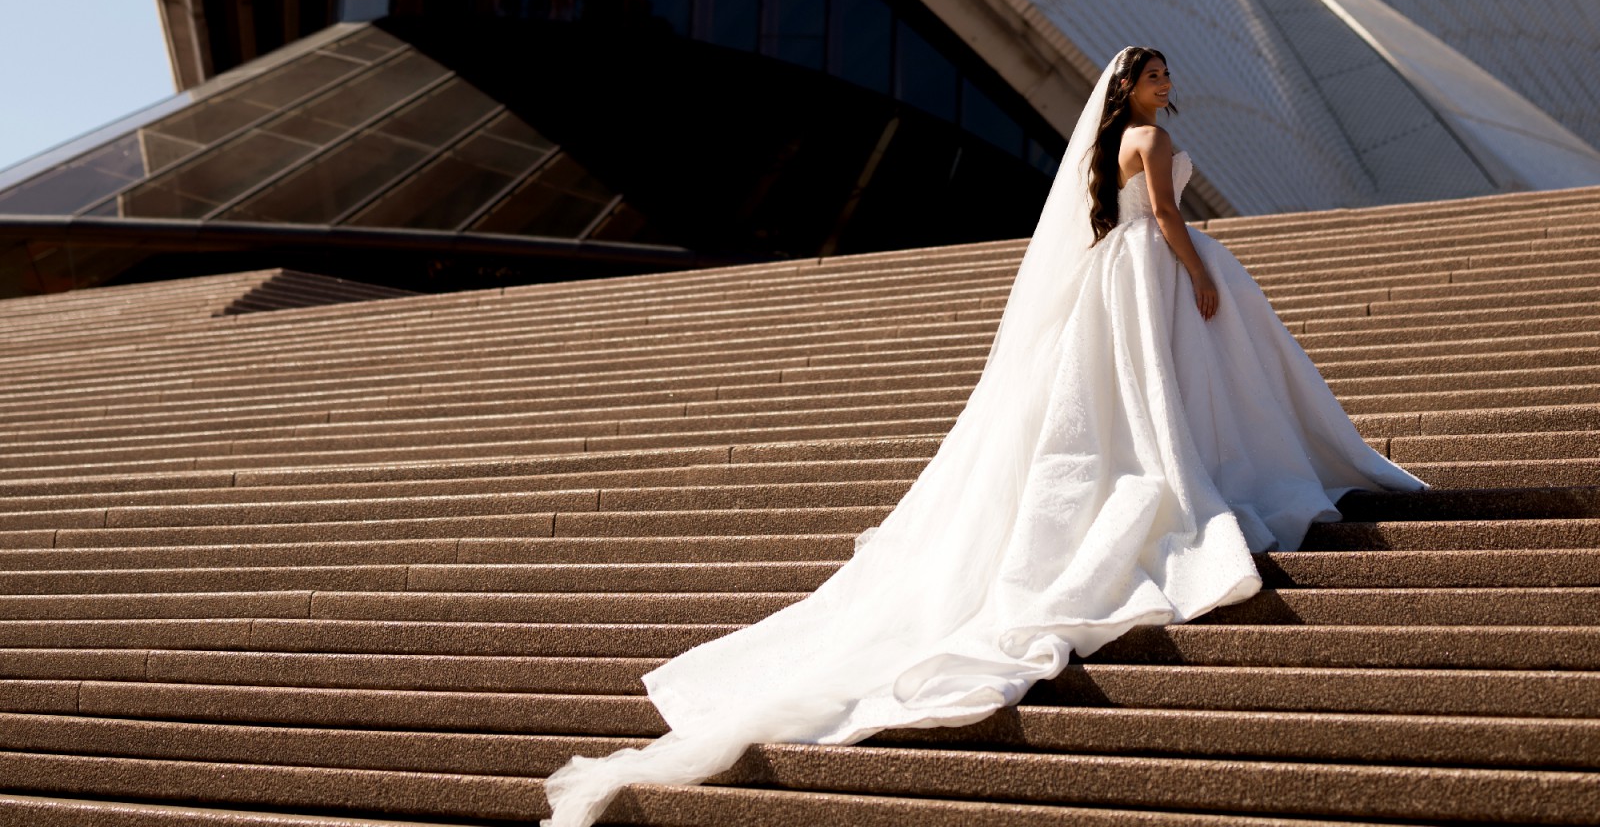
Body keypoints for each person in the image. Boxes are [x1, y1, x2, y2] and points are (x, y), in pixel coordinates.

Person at [544, 44, 1423, 826]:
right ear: (1128, 89)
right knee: (1178, 384)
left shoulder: (1109, 147)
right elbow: (1165, 217)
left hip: (1113, 279)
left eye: (1165, 76)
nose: (1165, 85)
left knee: (1147, 392)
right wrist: (1200, 275)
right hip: (1154, 268)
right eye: (1153, 76)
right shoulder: (1150, 143)